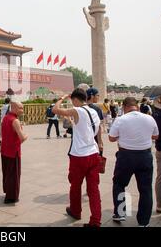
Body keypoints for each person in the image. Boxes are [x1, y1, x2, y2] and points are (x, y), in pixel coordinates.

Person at [52, 88, 102, 227]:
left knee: (75, 186)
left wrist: (62, 98)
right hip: (93, 153)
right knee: (93, 190)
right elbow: (99, 130)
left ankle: (76, 211)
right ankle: (96, 220)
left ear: (75, 100)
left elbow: (55, 110)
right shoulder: (95, 111)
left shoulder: (78, 110)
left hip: (79, 156)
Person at [109, 97, 159, 227]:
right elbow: (156, 136)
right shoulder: (149, 118)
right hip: (145, 155)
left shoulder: (121, 119)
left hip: (126, 156)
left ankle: (121, 213)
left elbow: (111, 138)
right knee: (145, 189)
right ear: (136, 106)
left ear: (124, 107)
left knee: (120, 184)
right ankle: (143, 222)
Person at [1, 101, 28, 204]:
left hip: (5, 150)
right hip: (13, 151)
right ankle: (11, 197)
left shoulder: (5, 117)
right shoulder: (15, 120)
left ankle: (7, 191)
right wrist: (26, 135)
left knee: (7, 173)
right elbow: (22, 138)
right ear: (14, 108)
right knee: (14, 175)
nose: (22, 110)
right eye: (20, 108)